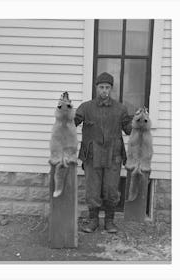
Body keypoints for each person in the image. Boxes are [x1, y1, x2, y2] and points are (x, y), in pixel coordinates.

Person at [74, 72, 132, 233]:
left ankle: (109, 221)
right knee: (93, 189)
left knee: (111, 189)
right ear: (96, 88)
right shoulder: (86, 107)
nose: (104, 90)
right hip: (92, 155)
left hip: (114, 155)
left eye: (107, 87)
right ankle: (93, 221)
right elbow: (71, 122)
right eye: (101, 87)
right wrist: (63, 111)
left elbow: (128, 130)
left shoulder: (121, 108)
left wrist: (140, 122)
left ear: (111, 89)